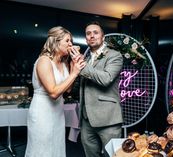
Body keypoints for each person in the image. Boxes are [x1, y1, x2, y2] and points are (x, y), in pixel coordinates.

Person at [25, 26, 85, 157]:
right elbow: (53, 93)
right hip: (42, 112)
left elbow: (67, 90)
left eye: (71, 41)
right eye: (67, 41)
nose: (71, 44)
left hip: (57, 112)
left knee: (56, 147)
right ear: (56, 42)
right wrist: (74, 73)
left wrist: (72, 66)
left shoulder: (63, 63)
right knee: (42, 149)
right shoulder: (44, 61)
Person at [77, 21, 124, 157]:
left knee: (113, 155)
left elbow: (106, 79)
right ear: (86, 38)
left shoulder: (114, 55)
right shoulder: (85, 58)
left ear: (103, 37)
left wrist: (82, 65)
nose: (91, 36)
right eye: (88, 33)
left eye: (95, 33)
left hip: (108, 118)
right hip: (86, 119)